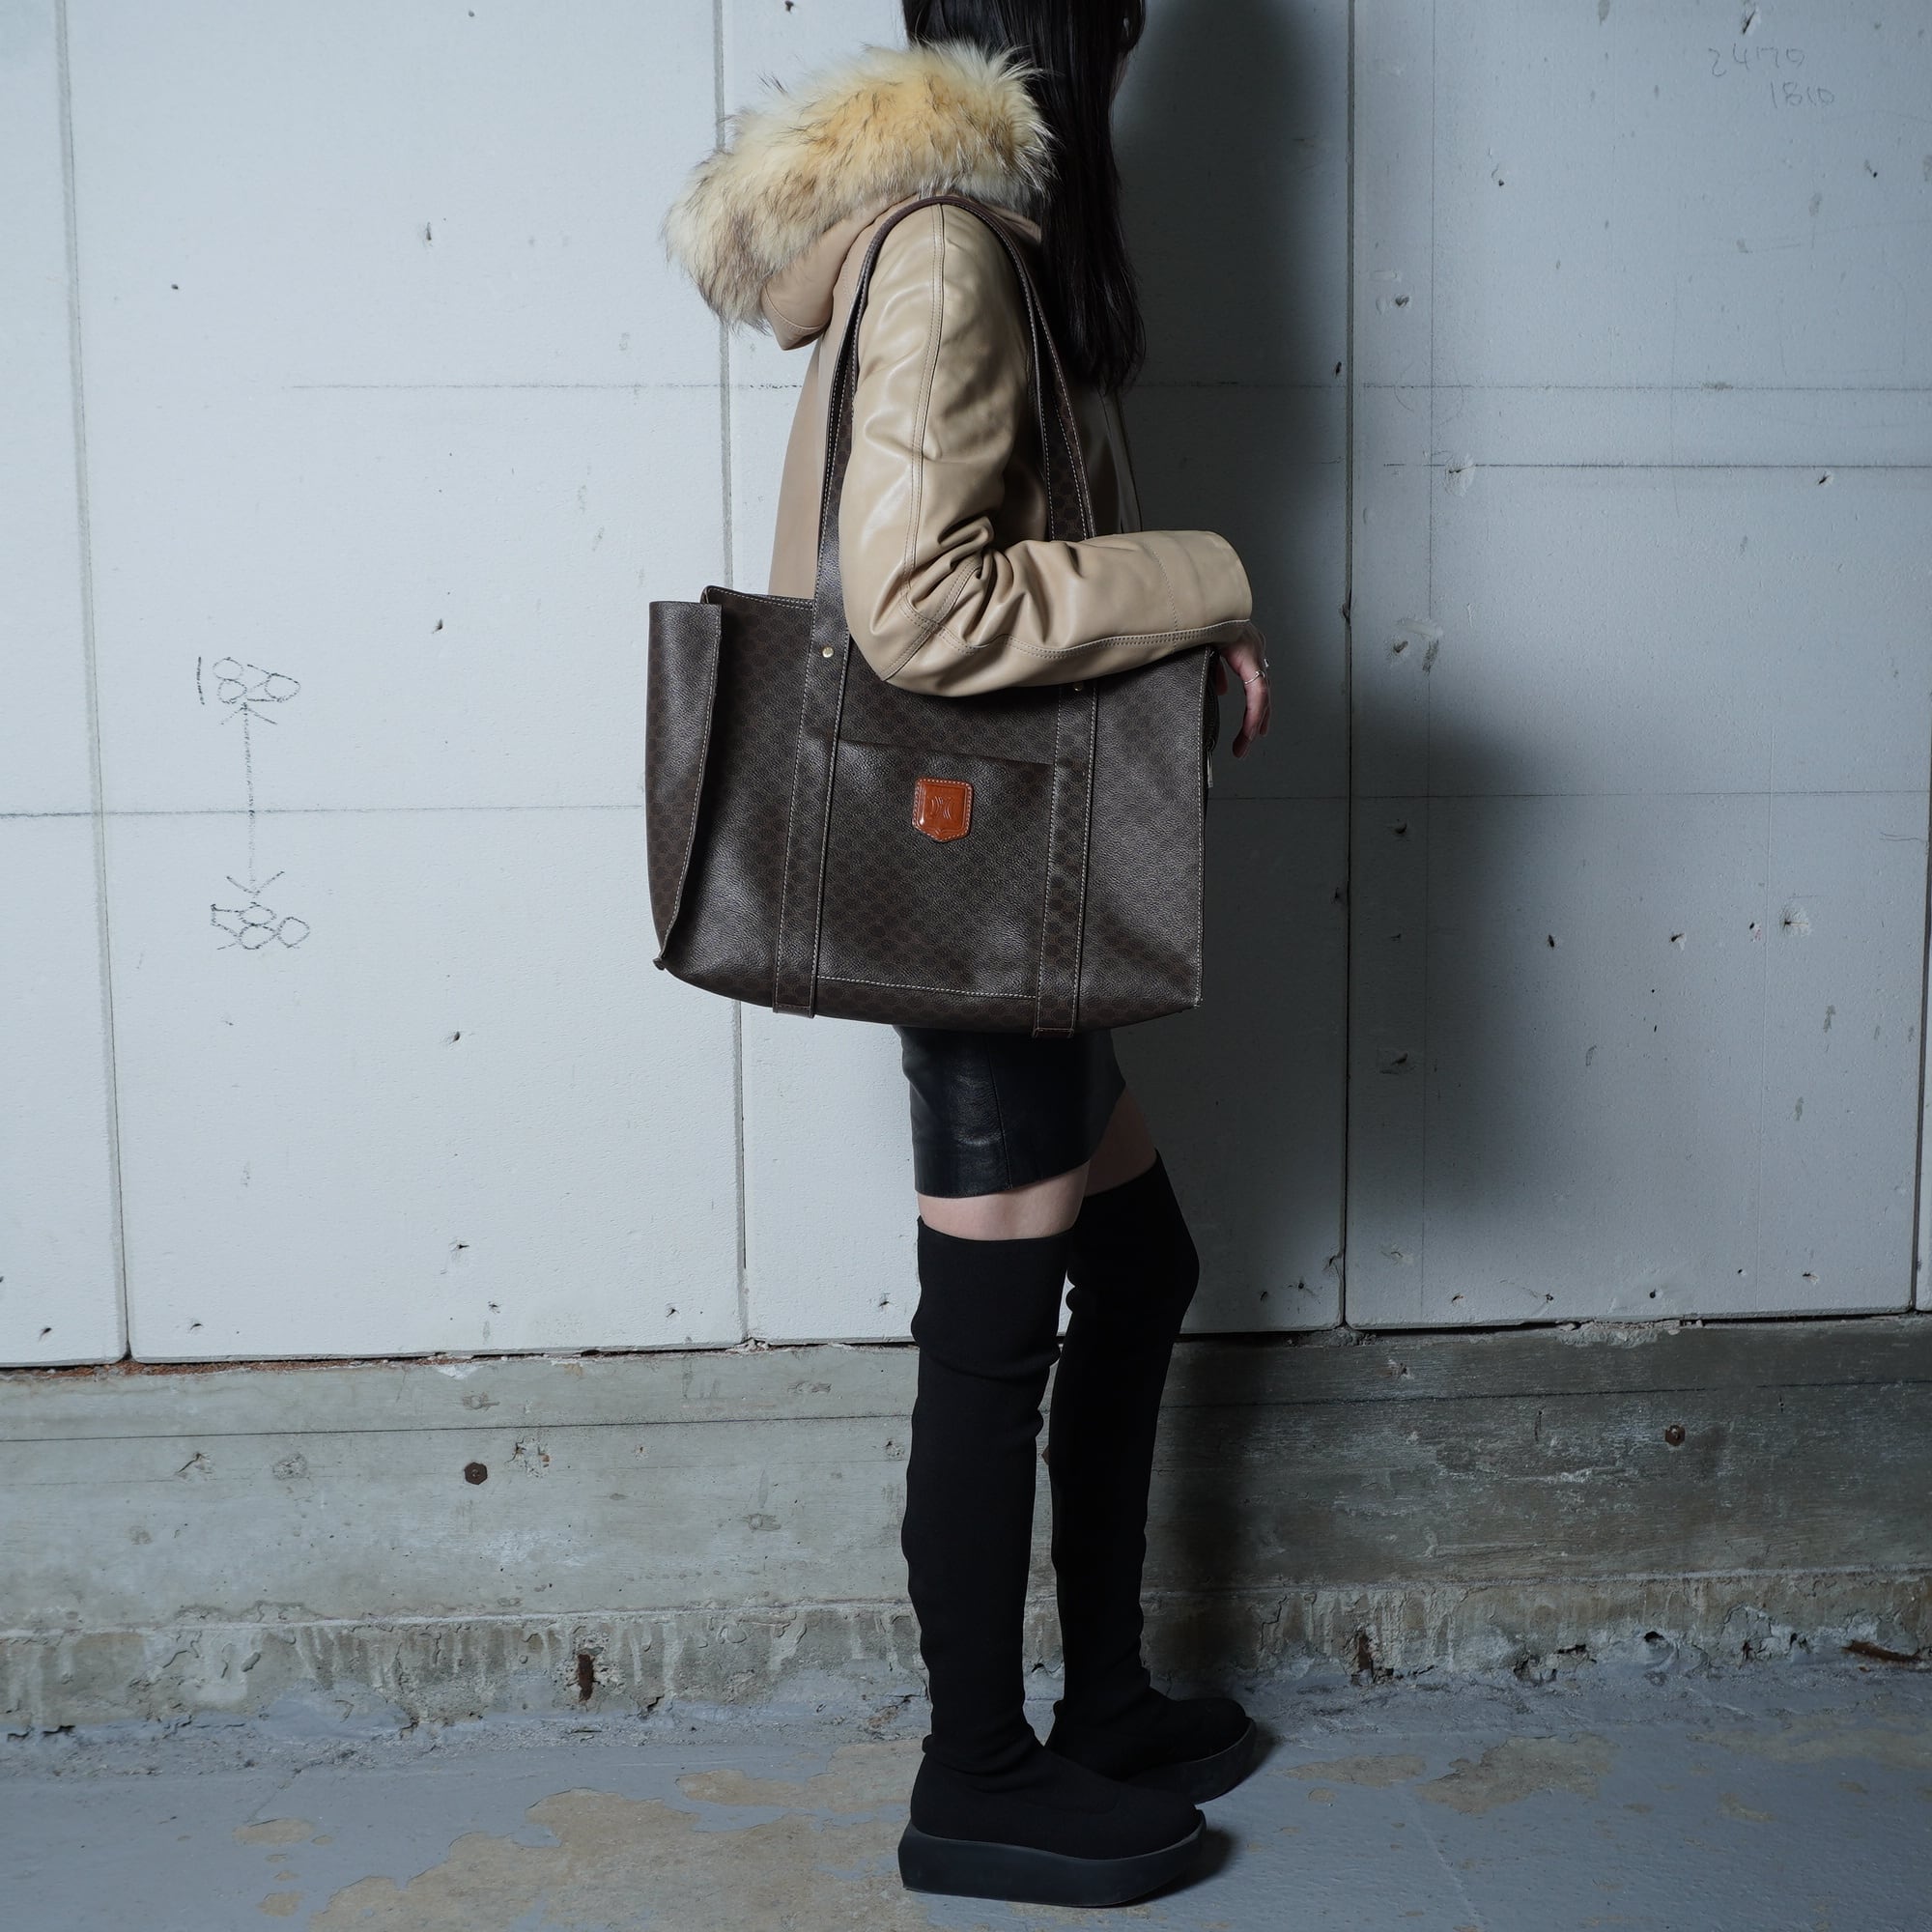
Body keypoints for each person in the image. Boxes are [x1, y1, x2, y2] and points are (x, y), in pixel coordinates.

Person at [665, 0, 1270, 1907]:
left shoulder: (957, 233)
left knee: (1141, 1261)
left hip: (1019, 881)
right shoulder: (945, 247)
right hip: (981, 878)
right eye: (1123, 17)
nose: (1139, 41)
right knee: (994, 1340)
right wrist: (1201, 583)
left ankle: (1102, 1703)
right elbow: (917, 608)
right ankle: (976, 1774)